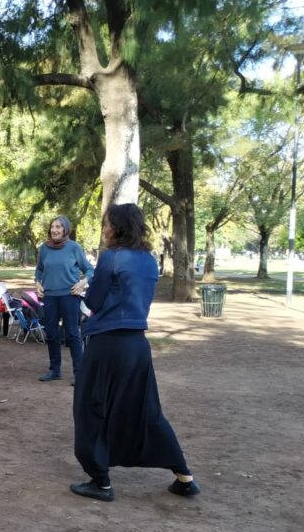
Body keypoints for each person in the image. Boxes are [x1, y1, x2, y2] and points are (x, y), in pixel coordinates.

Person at [70, 203, 200, 502]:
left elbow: (95, 302)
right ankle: (184, 477)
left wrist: (81, 296)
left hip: (107, 344)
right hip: (137, 346)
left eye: (107, 224)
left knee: (91, 407)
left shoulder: (111, 257)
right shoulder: (149, 260)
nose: (104, 229)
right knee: (147, 411)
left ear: (118, 227)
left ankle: (101, 482)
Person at [34, 215, 94, 385]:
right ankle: (55, 370)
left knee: (72, 334)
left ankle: (79, 373)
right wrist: (37, 282)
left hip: (69, 296)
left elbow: (89, 269)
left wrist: (82, 283)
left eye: (58, 227)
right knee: (52, 334)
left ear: (65, 229)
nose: (54, 230)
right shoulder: (44, 248)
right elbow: (39, 270)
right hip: (50, 297)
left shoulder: (74, 247)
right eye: (52, 227)